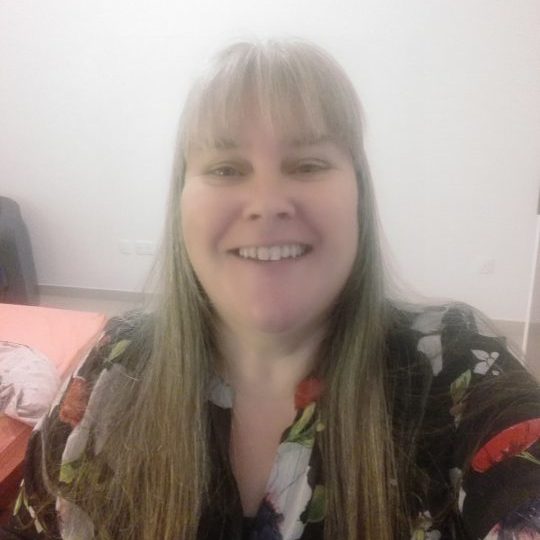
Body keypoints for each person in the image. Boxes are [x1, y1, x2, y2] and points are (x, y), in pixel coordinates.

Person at [1, 39, 540, 540]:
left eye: (307, 164)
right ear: (181, 202)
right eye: (226, 168)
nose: (266, 203)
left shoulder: (456, 368)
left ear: (358, 193)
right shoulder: (112, 366)